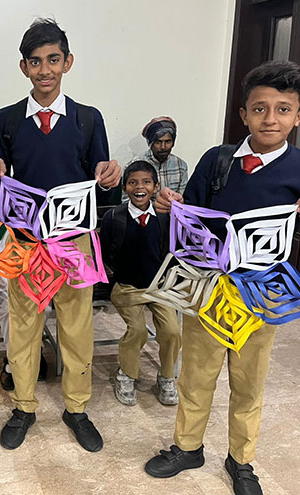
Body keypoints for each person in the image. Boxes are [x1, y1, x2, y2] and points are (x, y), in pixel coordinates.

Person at [146, 60, 300, 495]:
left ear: (299, 116)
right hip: (209, 287)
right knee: (196, 375)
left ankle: (241, 460)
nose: (270, 119)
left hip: (263, 293)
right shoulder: (217, 159)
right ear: (243, 114)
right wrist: (171, 207)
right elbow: (192, 220)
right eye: (259, 108)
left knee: (248, 381)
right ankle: (188, 447)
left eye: (283, 109)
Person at [0, 18, 121, 453]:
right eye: (36, 61)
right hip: (24, 240)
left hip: (74, 239)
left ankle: (77, 408)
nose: (45, 70)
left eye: (53, 59)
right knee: (24, 325)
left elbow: (101, 183)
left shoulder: (87, 118)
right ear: (24, 67)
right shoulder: (6, 120)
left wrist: (110, 177)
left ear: (68, 62)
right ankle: (23, 405)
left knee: (77, 327)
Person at [100, 161, 180, 407]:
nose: (139, 187)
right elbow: (104, 254)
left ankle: (167, 376)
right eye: (133, 182)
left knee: (172, 331)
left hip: (158, 288)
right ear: (125, 187)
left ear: (156, 186)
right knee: (137, 330)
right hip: (127, 288)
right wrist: (114, 279)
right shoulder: (114, 217)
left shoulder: (165, 218)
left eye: (146, 182)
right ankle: (126, 374)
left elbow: (172, 252)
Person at [0, 149, 47, 391]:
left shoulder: (35, 185)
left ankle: (35, 352)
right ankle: (15, 360)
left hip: (32, 246)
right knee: (8, 301)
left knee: (39, 295)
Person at [123, 116, 187, 201]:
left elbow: (182, 199)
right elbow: (126, 201)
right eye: (158, 142)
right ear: (150, 143)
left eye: (167, 141)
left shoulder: (180, 165)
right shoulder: (135, 164)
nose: (163, 147)